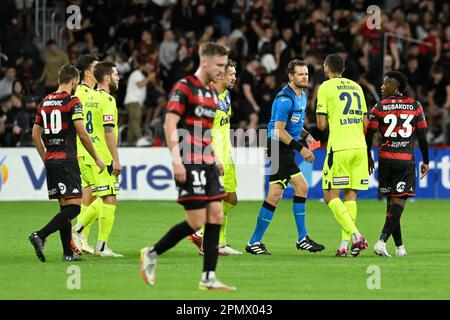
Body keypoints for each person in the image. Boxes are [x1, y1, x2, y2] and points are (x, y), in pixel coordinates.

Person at [140, 42, 236, 291]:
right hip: (189, 160)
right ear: (205, 62)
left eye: (225, 66)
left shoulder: (213, 94)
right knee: (195, 222)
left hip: (207, 161)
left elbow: (205, 131)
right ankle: (152, 252)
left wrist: (214, 157)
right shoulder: (184, 87)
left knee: (216, 214)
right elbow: (169, 124)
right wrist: (176, 159)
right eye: (220, 65)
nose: (223, 70)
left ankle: (208, 277)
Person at [246, 59, 325, 255]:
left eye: (306, 74)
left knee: (274, 195)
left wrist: (306, 135)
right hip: (278, 146)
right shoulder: (284, 99)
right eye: (300, 74)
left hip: (283, 147)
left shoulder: (302, 95)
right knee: (302, 186)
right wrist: (302, 149)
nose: (304, 77)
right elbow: (279, 131)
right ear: (291, 76)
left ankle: (254, 242)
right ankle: (302, 238)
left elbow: (294, 126)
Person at [28, 64, 105, 262]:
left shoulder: (45, 101)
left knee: (64, 208)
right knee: (75, 208)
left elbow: (35, 134)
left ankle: (68, 254)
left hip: (52, 160)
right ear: (73, 81)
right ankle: (40, 235)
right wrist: (97, 157)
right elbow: (82, 133)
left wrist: (45, 155)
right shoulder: (72, 101)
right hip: (67, 160)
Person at [366, 71, 429, 257]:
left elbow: (369, 134)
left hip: (385, 160)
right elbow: (423, 137)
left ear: (396, 86)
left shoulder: (379, 107)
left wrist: (368, 155)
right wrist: (426, 160)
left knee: (391, 204)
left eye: (385, 84)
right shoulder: (415, 106)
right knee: (398, 204)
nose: (382, 87)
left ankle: (400, 248)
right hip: (404, 161)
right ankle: (381, 242)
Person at [316, 53, 369, 257]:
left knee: (329, 195)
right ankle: (344, 246)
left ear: (326, 68)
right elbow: (366, 123)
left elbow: (321, 125)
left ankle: (357, 235)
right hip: (360, 147)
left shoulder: (325, 87)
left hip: (339, 147)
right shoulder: (357, 87)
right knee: (351, 194)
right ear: (344, 69)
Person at [188, 59, 242, 256]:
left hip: (226, 155)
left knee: (231, 199)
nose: (235, 78)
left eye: (235, 74)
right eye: (231, 74)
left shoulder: (226, 96)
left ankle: (213, 238)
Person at [72, 61, 123, 257]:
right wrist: (115, 159)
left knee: (103, 197)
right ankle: (85, 234)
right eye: (116, 75)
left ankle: (82, 233)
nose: (119, 78)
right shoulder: (107, 100)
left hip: (88, 153)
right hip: (102, 157)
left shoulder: (88, 97)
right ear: (108, 78)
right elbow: (109, 131)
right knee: (109, 198)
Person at [72, 54, 100, 255]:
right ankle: (78, 231)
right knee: (106, 196)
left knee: (89, 195)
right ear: (88, 72)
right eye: (97, 67)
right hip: (87, 152)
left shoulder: (88, 92)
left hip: (87, 152)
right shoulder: (82, 94)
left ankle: (82, 240)